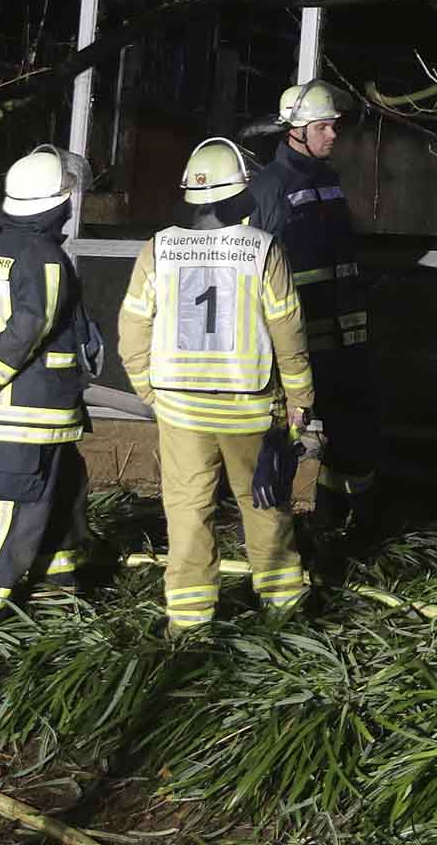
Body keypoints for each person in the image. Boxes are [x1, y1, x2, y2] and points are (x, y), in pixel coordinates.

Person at [117, 135, 317, 634]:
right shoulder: (263, 250)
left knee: (187, 510)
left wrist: (149, 391)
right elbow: (288, 331)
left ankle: (188, 620)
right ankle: (283, 604)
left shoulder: (158, 248)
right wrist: (301, 399)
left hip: (180, 410)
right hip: (248, 407)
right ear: (239, 192)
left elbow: (132, 329)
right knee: (263, 502)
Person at [0, 145, 95, 624]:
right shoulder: (45, 257)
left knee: (61, 496)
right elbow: (30, 325)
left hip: (26, 411)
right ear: (57, 205)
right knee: (11, 510)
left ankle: (57, 581)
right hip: (30, 410)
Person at [246, 82, 383, 559]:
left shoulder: (329, 180)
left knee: (355, 433)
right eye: (323, 127)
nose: (332, 135)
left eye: (333, 127)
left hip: (345, 340)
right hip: (298, 345)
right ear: (297, 131)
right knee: (285, 442)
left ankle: (341, 525)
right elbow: (252, 273)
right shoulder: (268, 188)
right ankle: (276, 540)